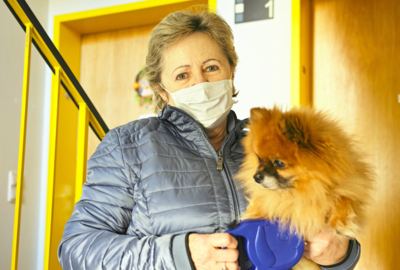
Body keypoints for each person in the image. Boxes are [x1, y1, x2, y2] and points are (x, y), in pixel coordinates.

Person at [58, 6, 361, 270]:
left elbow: (325, 226)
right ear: (162, 91)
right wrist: (181, 254)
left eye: (211, 68)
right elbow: (77, 250)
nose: (200, 82)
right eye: (182, 75)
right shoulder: (127, 147)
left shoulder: (268, 146)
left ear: (231, 73)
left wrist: (340, 254)